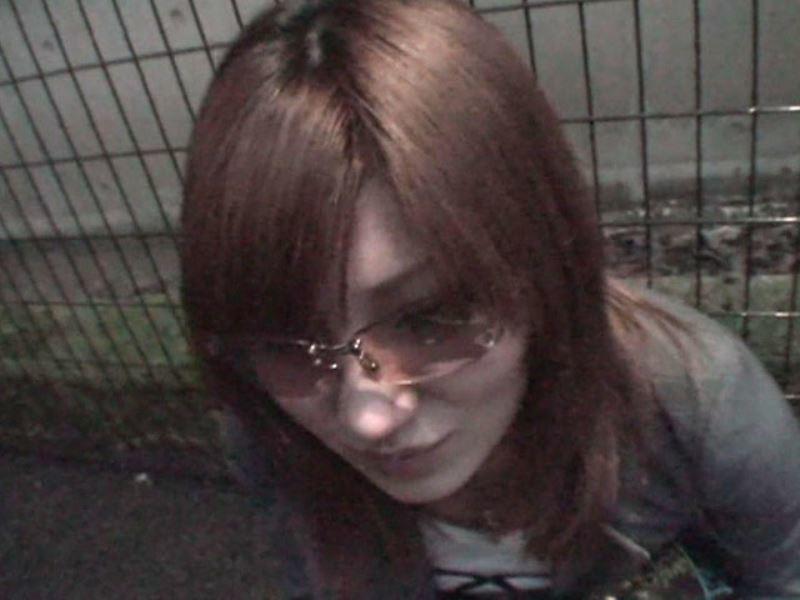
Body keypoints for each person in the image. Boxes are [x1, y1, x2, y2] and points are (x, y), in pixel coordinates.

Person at [179, 0, 800, 597]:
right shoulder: (270, 432)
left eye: (429, 320)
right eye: (286, 344)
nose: (368, 417)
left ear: (547, 259)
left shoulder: (698, 408)